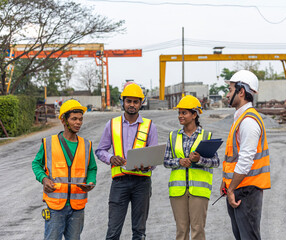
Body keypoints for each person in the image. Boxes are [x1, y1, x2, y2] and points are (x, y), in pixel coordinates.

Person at [95, 83, 158, 240]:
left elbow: (155, 156)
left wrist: (149, 164)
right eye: (128, 101)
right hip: (119, 182)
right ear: (122, 101)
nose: (132, 105)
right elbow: (100, 150)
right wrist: (111, 158)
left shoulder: (150, 126)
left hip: (142, 183)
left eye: (135, 101)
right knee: (113, 231)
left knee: (139, 231)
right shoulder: (112, 124)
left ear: (141, 103)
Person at [32, 99, 97, 240]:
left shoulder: (87, 145)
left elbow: (92, 168)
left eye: (80, 119)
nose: (78, 122)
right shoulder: (48, 142)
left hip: (77, 207)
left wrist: (91, 182)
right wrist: (43, 179)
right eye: (74, 119)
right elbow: (36, 164)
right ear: (63, 120)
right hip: (55, 207)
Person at [222, 70, 271, 240]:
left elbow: (245, 162)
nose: (227, 95)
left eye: (230, 90)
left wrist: (231, 189)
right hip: (240, 189)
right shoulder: (241, 118)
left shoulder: (248, 121)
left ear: (241, 92)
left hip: (246, 191)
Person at [164, 95, 220, 240]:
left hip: (199, 191)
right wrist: (179, 161)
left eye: (184, 113)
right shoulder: (173, 136)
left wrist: (199, 159)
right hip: (178, 191)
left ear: (194, 114)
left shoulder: (206, 135)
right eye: (179, 113)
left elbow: (215, 162)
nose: (180, 116)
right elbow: (166, 161)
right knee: (181, 231)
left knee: (197, 230)